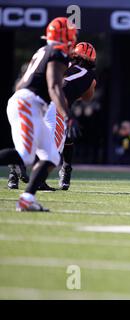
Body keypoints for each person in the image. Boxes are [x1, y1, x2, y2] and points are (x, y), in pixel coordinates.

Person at [0, 17, 78, 211]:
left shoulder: (42, 51)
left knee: (51, 156)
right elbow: (54, 86)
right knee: (25, 156)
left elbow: (21, 84)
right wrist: (66, 115)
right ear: (65, 36)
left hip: (29, 103)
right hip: (28, 103)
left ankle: (27, 199)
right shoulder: (57, 53)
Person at [7, 42, 97, 191]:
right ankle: (39, 180)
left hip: (32, 99)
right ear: (91, 60)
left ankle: (14, 174)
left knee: (30, 140)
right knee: (52, 151)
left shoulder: (57, 61)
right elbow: (87, 97)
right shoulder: (88, 75)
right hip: (53, 105)